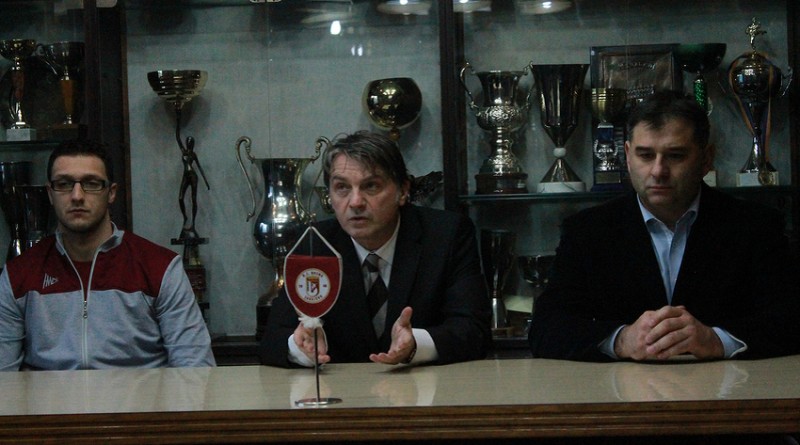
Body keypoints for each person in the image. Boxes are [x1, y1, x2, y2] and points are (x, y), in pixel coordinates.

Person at [529, 91, 800, 362]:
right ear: (627, 156)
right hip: (622, 387)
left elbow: (790, 318)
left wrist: (717, 340)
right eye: (645, 155)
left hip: (729, 385)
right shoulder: (587, 231)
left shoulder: (755, 226)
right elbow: (545, 327)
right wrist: (621, 340)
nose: (658, 171)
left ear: (706, 159)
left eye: (675, 155)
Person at [259, 131, 491, 367]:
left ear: (403, 191)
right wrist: (300, 346)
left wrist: (415, 344)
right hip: (341, 387)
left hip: (422, 385)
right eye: (342, 187)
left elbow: (474, 331)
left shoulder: (446, 236)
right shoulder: (314, 244)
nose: (355, 202)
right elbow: (272, 339)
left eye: (371, 186)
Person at [0, 139, 215, 371]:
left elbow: (196, 371)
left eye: (91, 184)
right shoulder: (18, 275)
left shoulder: (160, 268)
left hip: (138, 395)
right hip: (49, 396)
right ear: (50, 194)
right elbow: (3, 377)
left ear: (111, 193)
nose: (77, 195)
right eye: (64, 184)